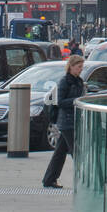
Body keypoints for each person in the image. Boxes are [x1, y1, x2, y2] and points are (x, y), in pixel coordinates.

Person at [42, 54, 85, 188]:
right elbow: (60, 101)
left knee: (60, 152)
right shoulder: (65, 81)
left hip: (74, 119)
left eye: (82, 67)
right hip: (66, 121)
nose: (80, 70)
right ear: (71, 67)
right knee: (76, 151)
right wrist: (76, 101)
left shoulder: (79, 81)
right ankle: (84, 180)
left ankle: (49, 179)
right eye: (78, 67)